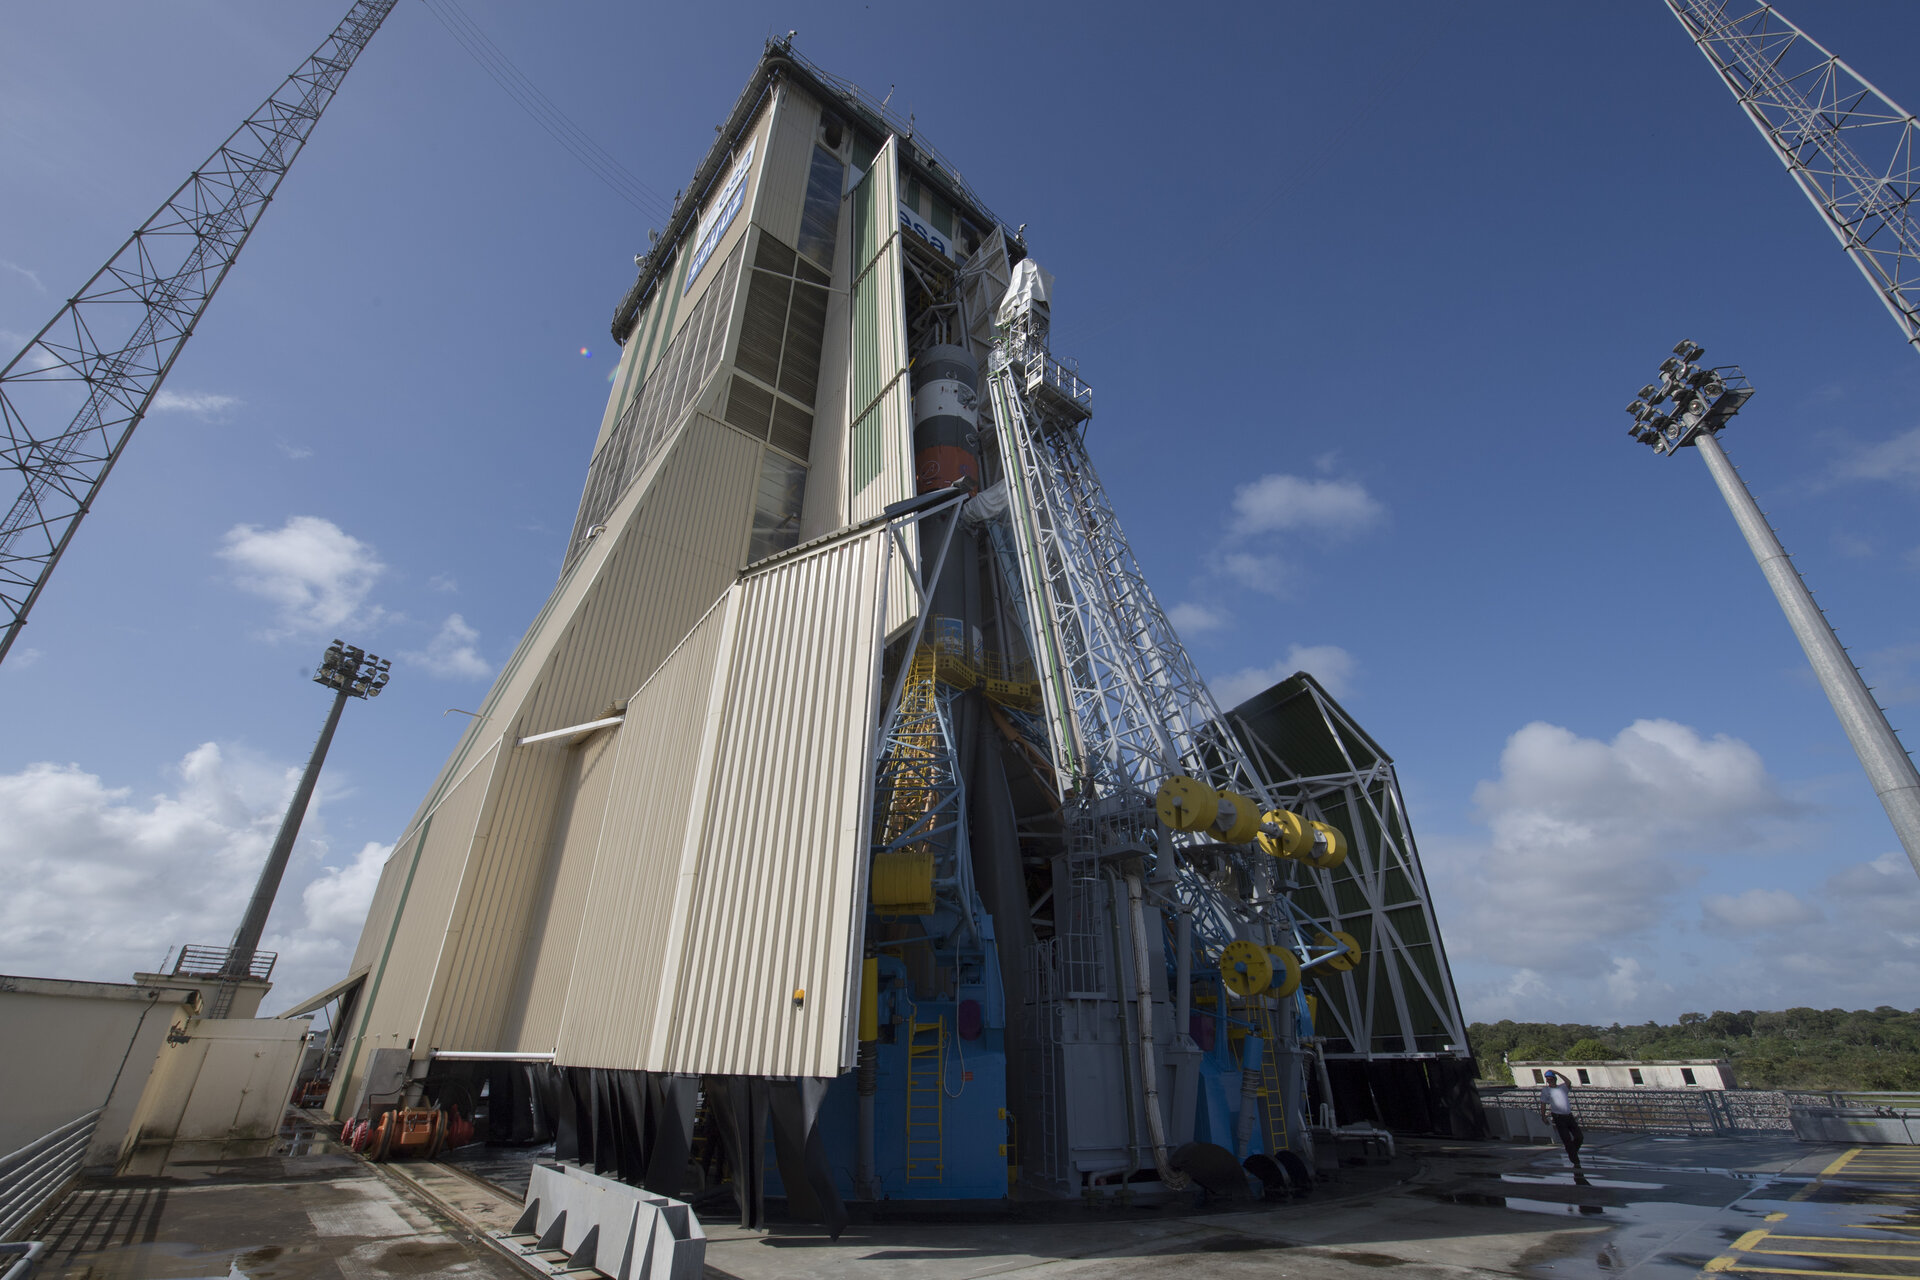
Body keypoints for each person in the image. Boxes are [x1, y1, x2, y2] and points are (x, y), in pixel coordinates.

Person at [1539, 1070, 1584, 1167]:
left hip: (1569, 1116)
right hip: (1558, 1117)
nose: (1549, 1080)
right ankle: (1575, 1160)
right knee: (1566, 1139)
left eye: (1551, 1078)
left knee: (1579, 1137)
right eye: (1547, 1079)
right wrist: (1543, 1116)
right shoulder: (1546, 1090)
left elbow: (1568, 1082)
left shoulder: (1562, 1088)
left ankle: (1573, 1152)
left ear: (1555, 1079)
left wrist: (1558, 1073)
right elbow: (1543, 1104)